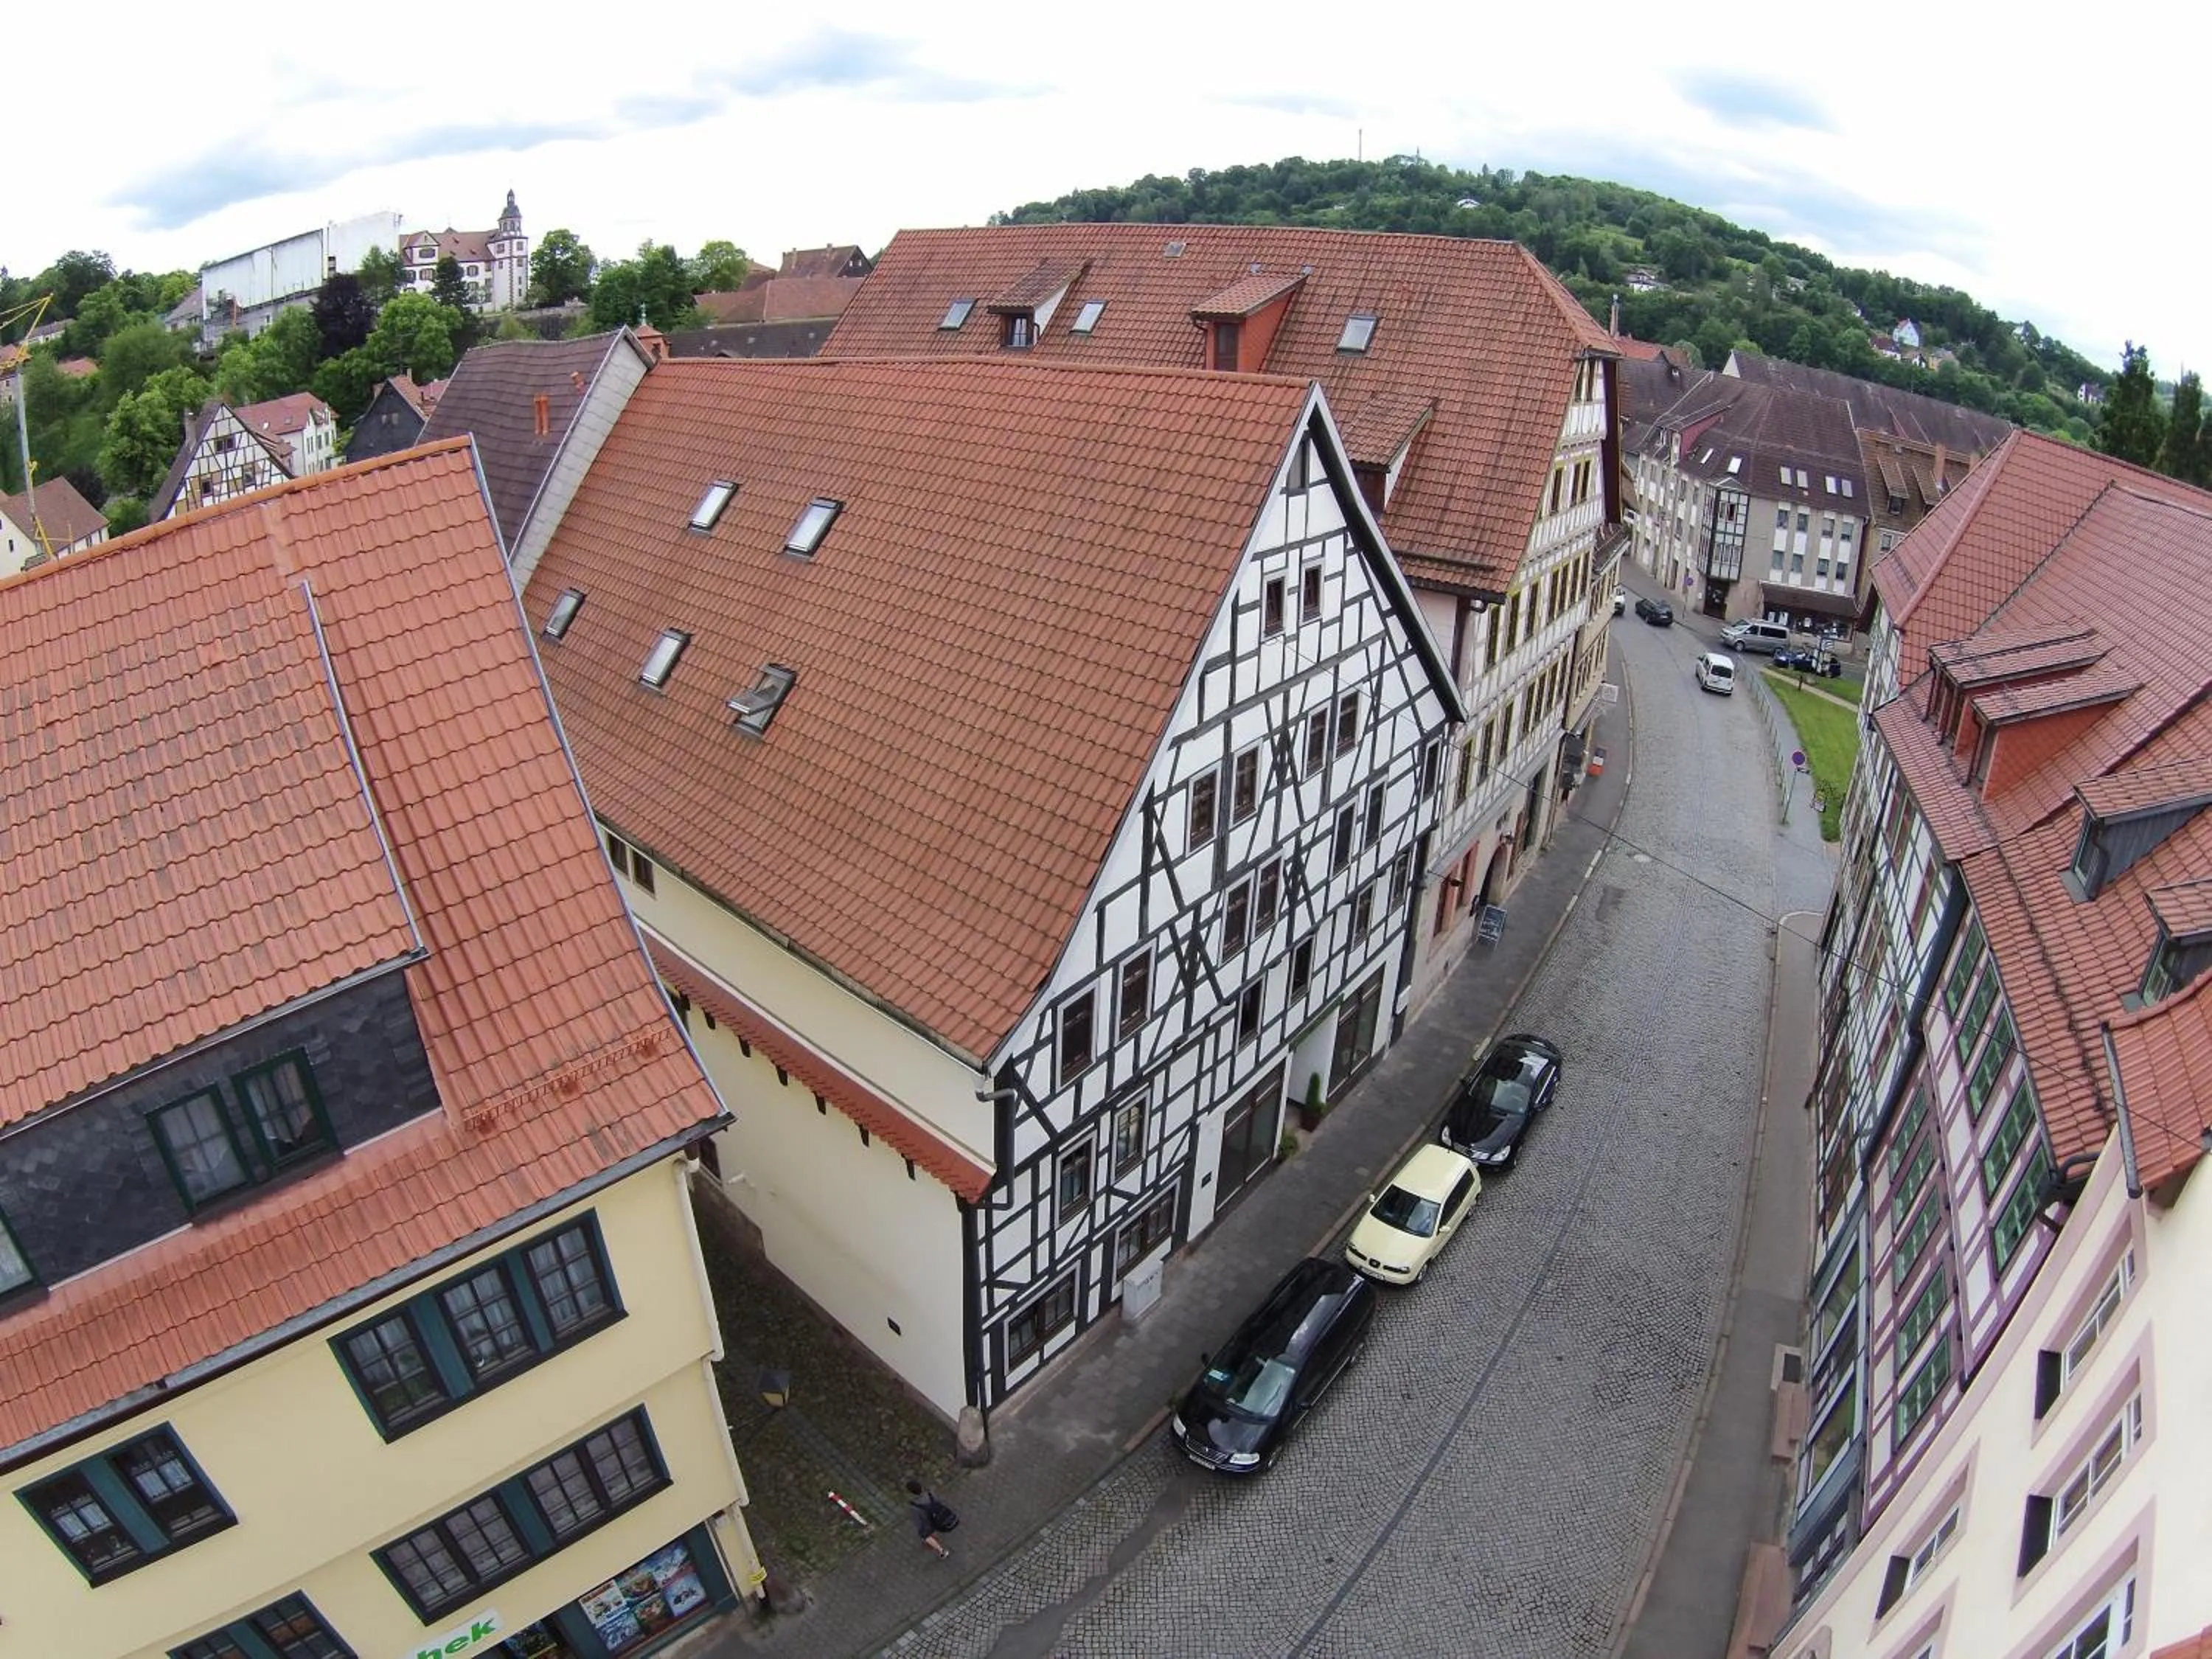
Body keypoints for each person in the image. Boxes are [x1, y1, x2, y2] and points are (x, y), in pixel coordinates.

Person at [906, 1478, 954, 1559]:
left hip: (927, 1523)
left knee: (925, 1535)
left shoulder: (914, 1506)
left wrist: (921, 1531)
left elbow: (918, 1522)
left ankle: (941, 1551)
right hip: (936, 1516)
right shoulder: (930, 1494)